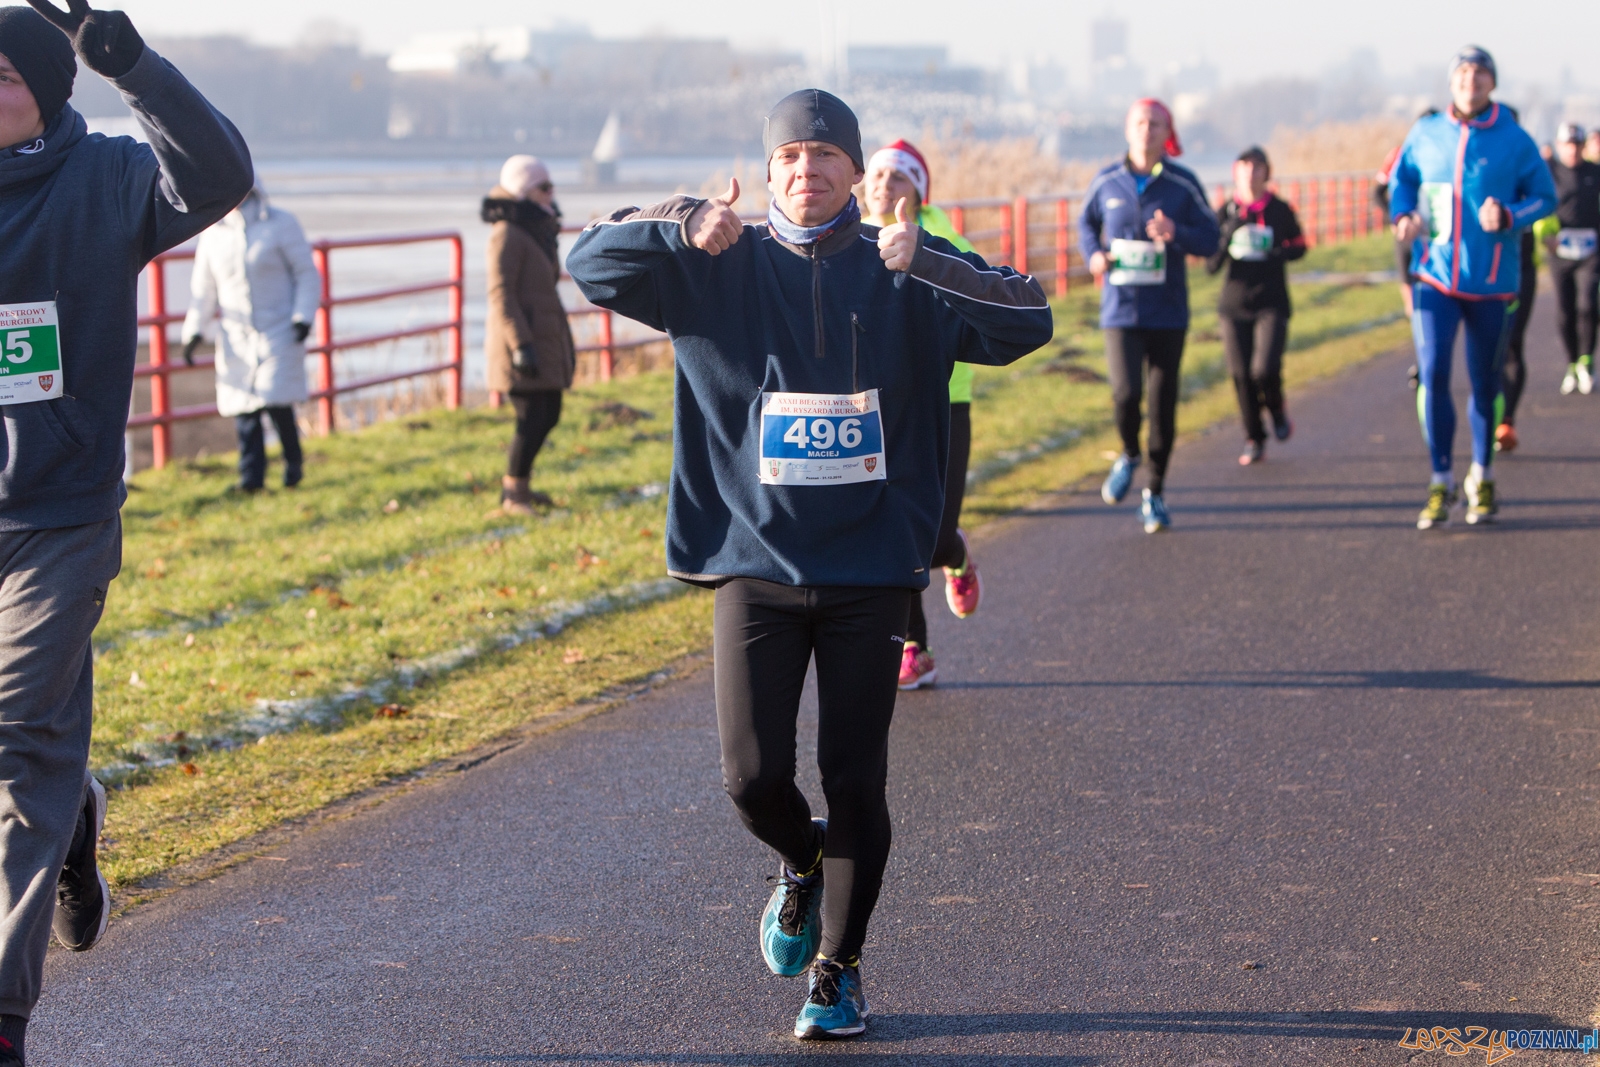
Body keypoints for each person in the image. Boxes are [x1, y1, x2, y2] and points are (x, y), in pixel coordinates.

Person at [567, 89, 1051, 1040]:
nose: (807, 170)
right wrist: (679, 220)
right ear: (771, 169)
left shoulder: (902, 263)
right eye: (790, 155)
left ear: (856, 173)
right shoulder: (719, 259)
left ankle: (839, 970)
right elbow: (587, 261)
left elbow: (1028, 318)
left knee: (855, 774)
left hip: (870, 564)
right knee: (752, 777)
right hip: (755, 559)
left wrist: (938, 268)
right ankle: (804, 860)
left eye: (827, 155)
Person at [0, 3, 251, 1063]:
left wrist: (133, 65)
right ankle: (75, 821)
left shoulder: (105, 181)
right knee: (33, 763)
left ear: (45, 89)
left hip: (58, 514)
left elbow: (219, 174)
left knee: (11, 727)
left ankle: (4, 1021)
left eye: (0, 79)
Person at [1389, 46, 1554, 529]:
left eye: (1480, 73)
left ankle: (1481, 476)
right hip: (1435, 276)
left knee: (1485, 381)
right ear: (1451, 82)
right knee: (1434, 371)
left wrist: (1509, 215)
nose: (1471, 80)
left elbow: (1544, 196)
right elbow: (1402, 181)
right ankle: (1440, 481)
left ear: (1492, 83)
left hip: (1493, 280)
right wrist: (1403, 214)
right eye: (1462, 72)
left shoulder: (1514, 139)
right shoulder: (1426, 132)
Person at [859, 139, 981, 691]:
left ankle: (954, 550)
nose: (885, 184)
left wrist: (924, 256)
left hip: (943, 400)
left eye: (899, 177)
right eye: (879, 174)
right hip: (876, 403)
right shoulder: (850, 236)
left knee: (930, 536)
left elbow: (976, 298)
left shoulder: (943, 238)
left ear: (919, 191)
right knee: (891, 529)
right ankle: (914, 647)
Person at [1080, 98, 1221, 532]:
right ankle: (1129, 454)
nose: (1147, 130)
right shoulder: (1107, 180)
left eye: (1156, 124)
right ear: (1127, 128)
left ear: (1167, 132)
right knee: (1125, 394)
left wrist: (1177, 233)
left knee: (1161, 406)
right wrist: (1094, 257)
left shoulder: (1183, 183)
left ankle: (1154, 491)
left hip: (1168, 313)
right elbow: (1086, 225)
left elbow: (1213, 237)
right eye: (1140, 123)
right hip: (1120, 311)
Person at [180, 183, 318, 492]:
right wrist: (193, 332)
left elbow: (306, 273)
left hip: (279, 328)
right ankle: (251, 478)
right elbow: (204, 289)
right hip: (236, 334)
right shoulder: (213, 233)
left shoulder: (281, 224)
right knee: (243, 408)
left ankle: (292, 463)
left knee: (276, 400)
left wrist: (303, 318)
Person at [483, 154, 575, 515]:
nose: (551, 194)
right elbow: (500, 293)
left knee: (547, 412)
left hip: (541, 336)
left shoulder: (535, 228)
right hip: (520, 342)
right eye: (544, 187)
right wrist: (520, 345)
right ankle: (513, 495)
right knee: (531, 417)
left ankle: (520, 488)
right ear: (524, 190)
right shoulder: (507, 233)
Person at [1207, 146, 1306, 465]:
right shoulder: (1225, 211)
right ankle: (1254, 437)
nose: (1251, 172)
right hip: (1234, 305)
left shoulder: (1279, 209)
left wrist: (1278, 250)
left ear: (1267, 173)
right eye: (1245, 166)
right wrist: (1228, 234)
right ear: (1236, 172)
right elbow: (1210, 264)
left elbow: (1300, 246)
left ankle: (1277, 409)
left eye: (1258, 167)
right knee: (1241, 374)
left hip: (1272, 302)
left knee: (1264, 369)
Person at [1532, 123, 1600, 399]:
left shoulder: (1595, 173)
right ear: (1559, 147)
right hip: (1559, 251)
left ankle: (1586, 361)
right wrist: (1544, 234)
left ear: (1583, 146)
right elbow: (1539, 206)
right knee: (1564, 311)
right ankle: (1572, 363)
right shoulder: (1549, 172)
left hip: (1591, 250)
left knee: (1587, 304)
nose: (1572, 150)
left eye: (1577, 145)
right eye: (1567, 145)